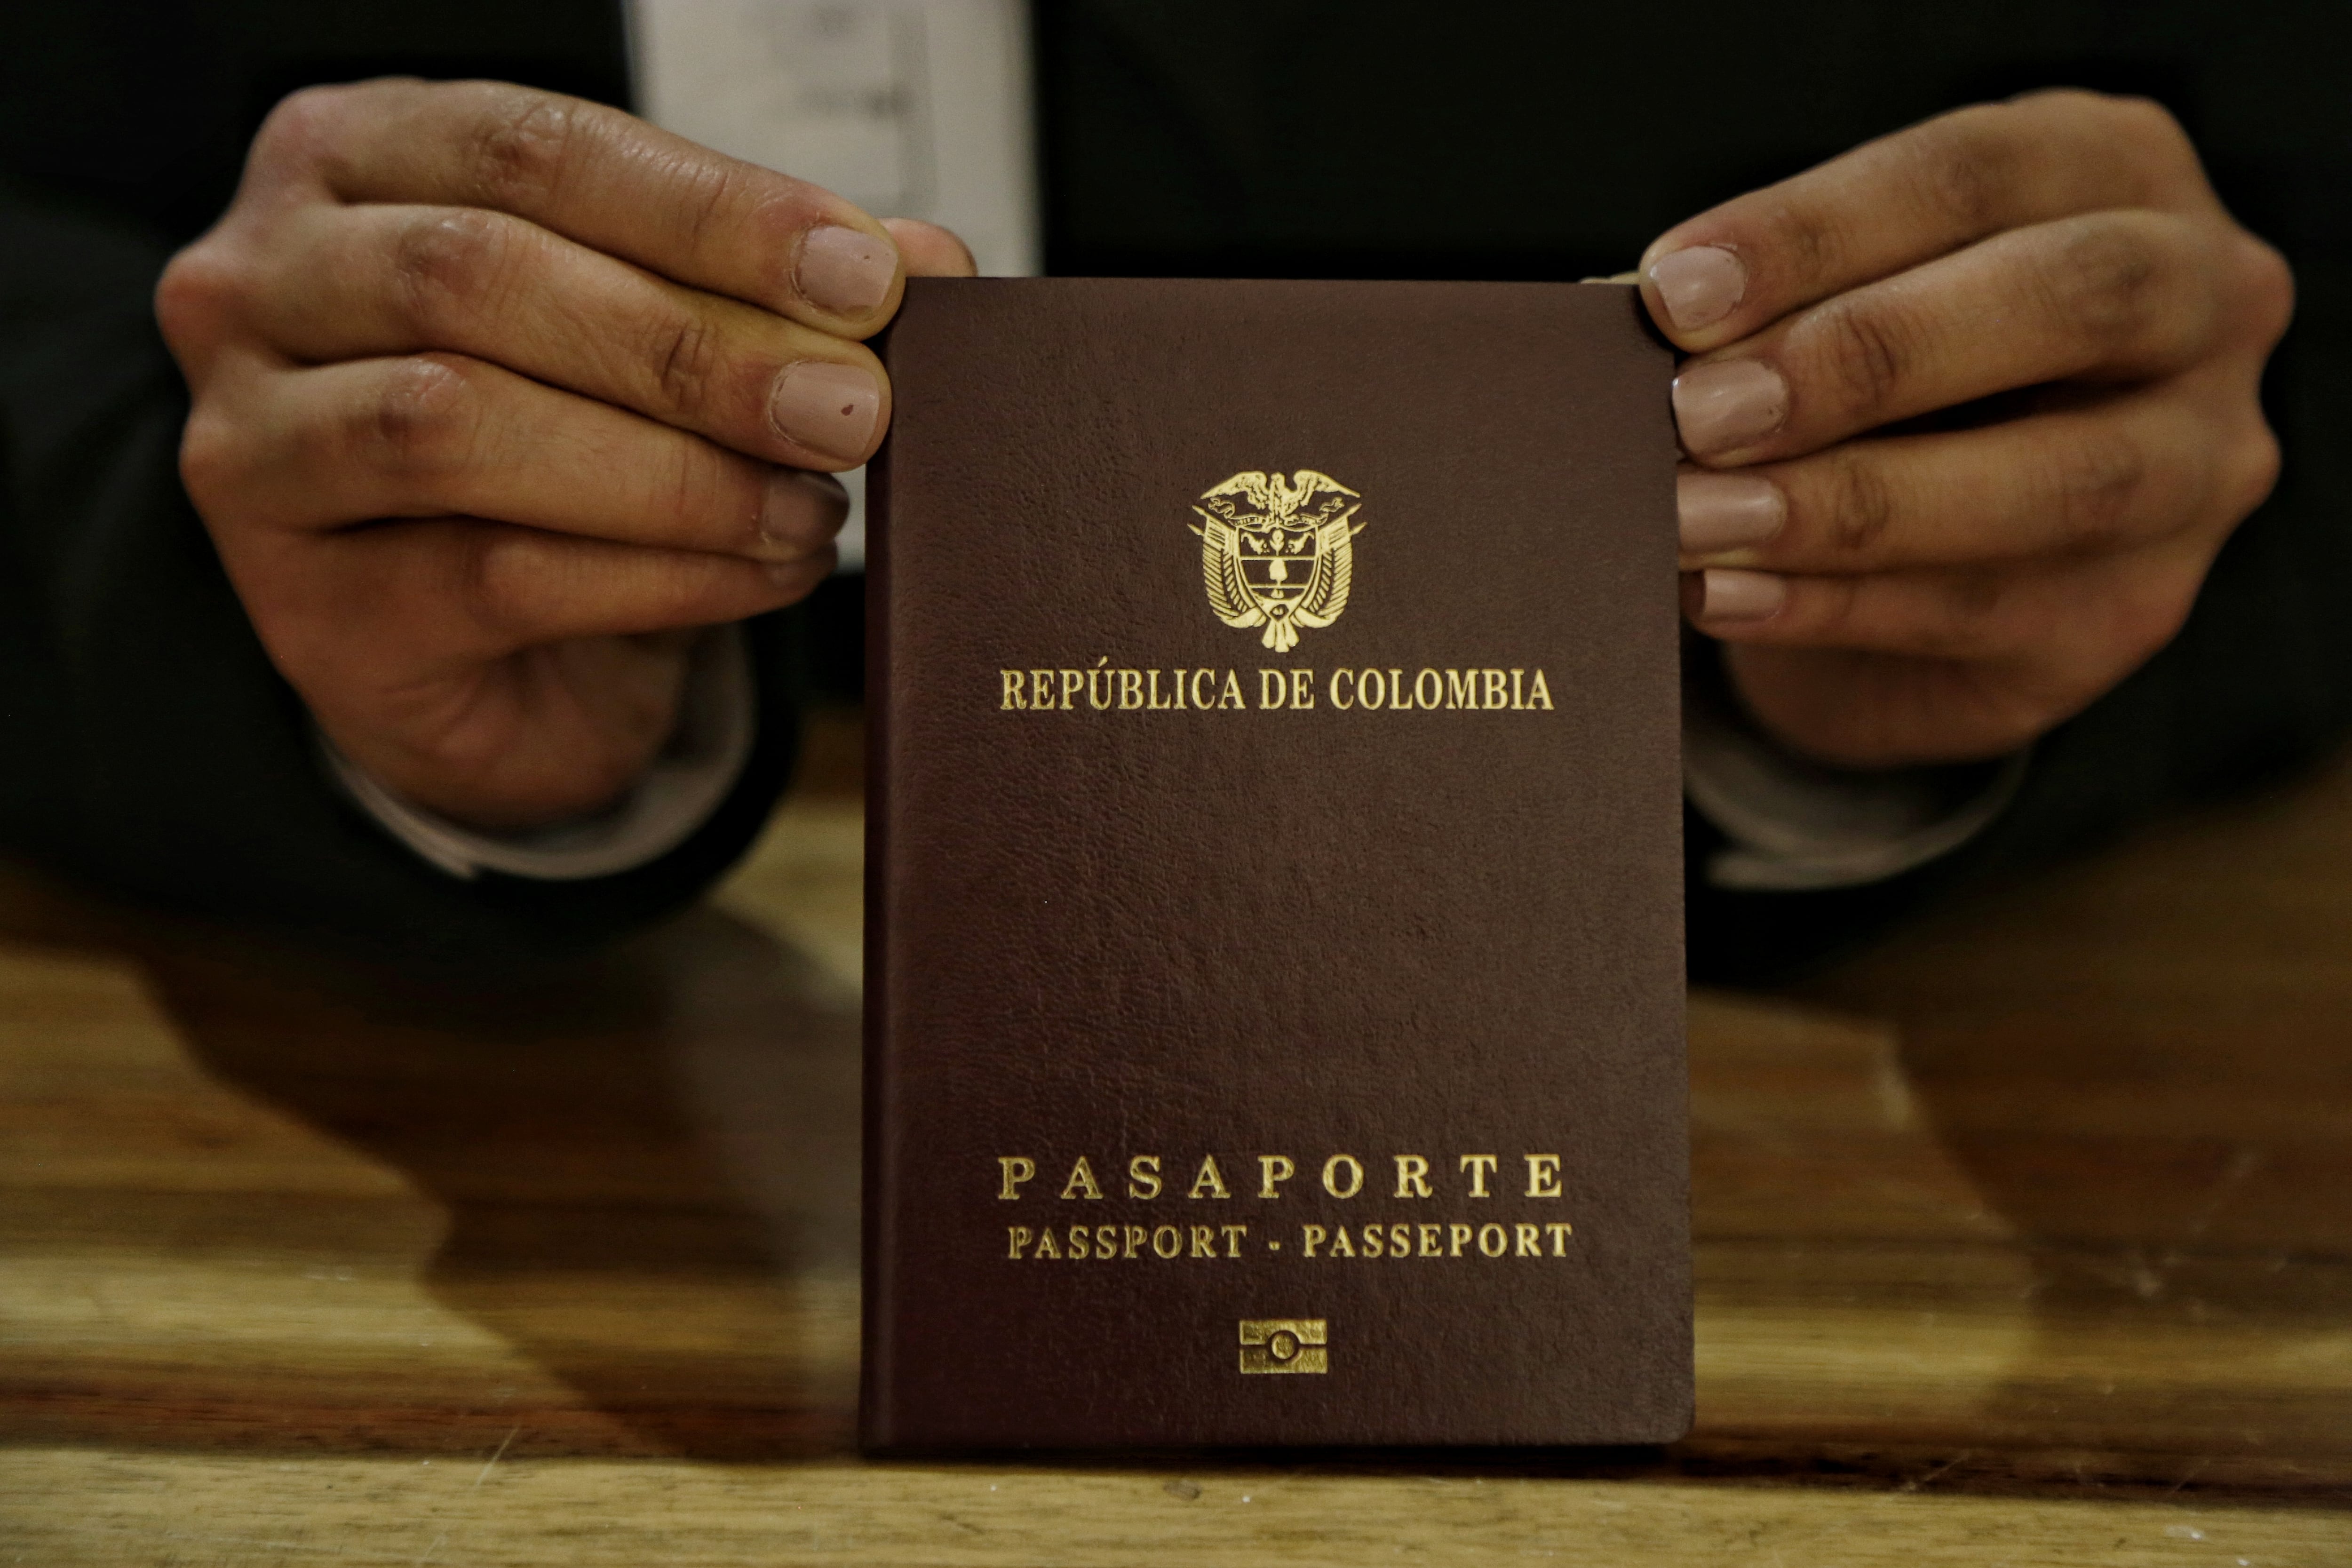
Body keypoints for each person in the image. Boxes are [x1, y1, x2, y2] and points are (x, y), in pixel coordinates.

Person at [0, 1, 2337, 979]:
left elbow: (2260, 270)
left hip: (1795, 1090)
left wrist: (1957, 583)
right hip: (558, 1080)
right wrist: (255, 562)